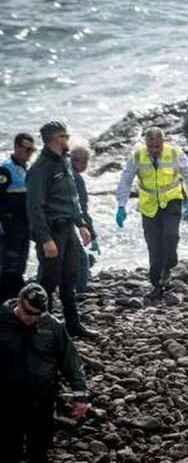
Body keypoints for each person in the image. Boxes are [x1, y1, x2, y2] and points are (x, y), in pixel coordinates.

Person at [0, 283, 89, 463]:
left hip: (42, 400)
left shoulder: (52, 326)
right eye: (27, 312)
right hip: (7, 401)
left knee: (40, 450)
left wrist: (80, 395)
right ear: (19, 301)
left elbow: (71, 360)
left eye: (36, 315)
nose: (30, 319)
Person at [26, 120, 98, 339]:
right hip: (52, 232)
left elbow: (72, 197)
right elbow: (34, 207)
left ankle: (73, 325)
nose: (69, 140)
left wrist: (81, 223)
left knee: (70, 277)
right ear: (56, 139)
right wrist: (45, 238)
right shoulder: (40, 169)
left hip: (68, 229)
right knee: (48, 280)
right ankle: (38, 328)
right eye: (66, 136)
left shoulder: (64, 161)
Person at [115, 127, 188, 299]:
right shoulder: (137, 157)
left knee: (170, 236)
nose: (154, 151)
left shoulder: (175, 153)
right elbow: (125, 180)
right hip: (149, 206)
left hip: (172, 201)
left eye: (158, 147)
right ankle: (157, 283)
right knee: (154, 246)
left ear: (163, 143)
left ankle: (169, 266)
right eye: (151, 147)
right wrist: (121, 205)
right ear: (146, 144)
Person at [0, 133, 35, 303]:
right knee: (9, 266)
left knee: (20, 264)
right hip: (8, 226)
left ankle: (15, 301)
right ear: (16, 147)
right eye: (27, 149)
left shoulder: (26, 168)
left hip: (23, 225)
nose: (29, 153)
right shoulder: (6, 169)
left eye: (32, 150)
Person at [70, 146, 99, 294]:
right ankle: (81, 292)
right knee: (82, 259)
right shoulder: (76, 178)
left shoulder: (60, 171)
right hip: (65, 223)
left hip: (48, 222)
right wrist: (92, 234)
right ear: (83, 161)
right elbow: (82, 208)